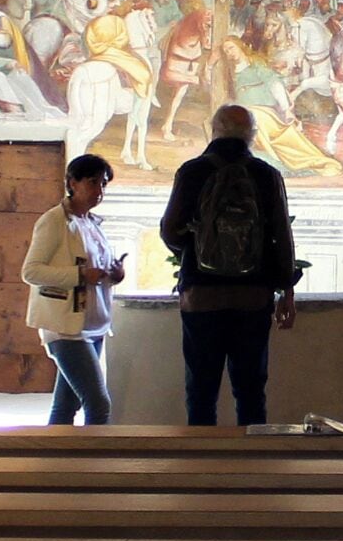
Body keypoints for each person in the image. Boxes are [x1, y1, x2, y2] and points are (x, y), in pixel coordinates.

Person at [159, 103, 300, 427]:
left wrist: (194, 250)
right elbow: (282, 235)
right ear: (252, 135)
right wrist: (286, 290)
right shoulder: (266, 174)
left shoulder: (192, 172)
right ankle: (253, 467)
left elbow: (171, 230)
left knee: (201, 391)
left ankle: (202, 466)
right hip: (253, 297)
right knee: (251, 391)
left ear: (214, 129)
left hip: (202, 297)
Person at [23, 152, 126, 425]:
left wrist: (115, 274)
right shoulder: (54, 221)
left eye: (103, 184)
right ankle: (93, 465)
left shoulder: (92, 223)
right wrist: (79, 275)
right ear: (72, 183)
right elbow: (31, 271)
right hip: (66, 328)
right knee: (98, 403)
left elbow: (98, 270)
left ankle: (55, 463)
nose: (99, 191)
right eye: (93, 182)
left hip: (95, 324)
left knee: (66, 405)